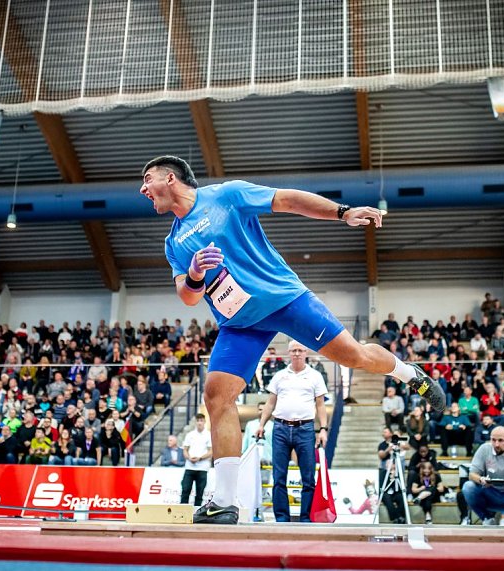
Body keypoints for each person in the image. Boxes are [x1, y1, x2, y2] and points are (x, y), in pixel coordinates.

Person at [141, 155, 445, 524]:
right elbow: (187, 296)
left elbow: (289, 199)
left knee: (354, 356)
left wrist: (342, 212)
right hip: (239, 324)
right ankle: (224, 502)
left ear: (170, 178)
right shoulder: (174, 242)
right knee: (216, 396)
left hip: (284, 299)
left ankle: (409, 374)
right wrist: (192, 274)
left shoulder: (227, 196)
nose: (143, 189)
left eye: (147, 180)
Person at [255, 340, 328, 522]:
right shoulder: (279, 376)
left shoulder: (315, 376)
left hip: (305, 429)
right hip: (280, 428)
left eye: (300, 350)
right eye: (293, 350)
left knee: (308, 478)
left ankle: (305, 518)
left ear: (306, 353)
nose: (296, 353)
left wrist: (323, 429)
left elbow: (320, 405)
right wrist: (261, 424)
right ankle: (281, 518)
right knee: (279, 477)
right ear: (289, 353)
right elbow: (270, 402)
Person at [181, 414, 212, 506]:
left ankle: (196, 514)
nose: (199, 423)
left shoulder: (208, 435)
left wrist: (200, 458)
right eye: (198, 420)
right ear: (195, 422)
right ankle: (181, 513)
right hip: (189, 467)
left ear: (204, 422)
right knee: (185, 490)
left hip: (202, 468)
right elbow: (185, 450)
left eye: (201, 420)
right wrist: (189, 457)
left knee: (200, 493)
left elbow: (211, 452)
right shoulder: (190, 435)